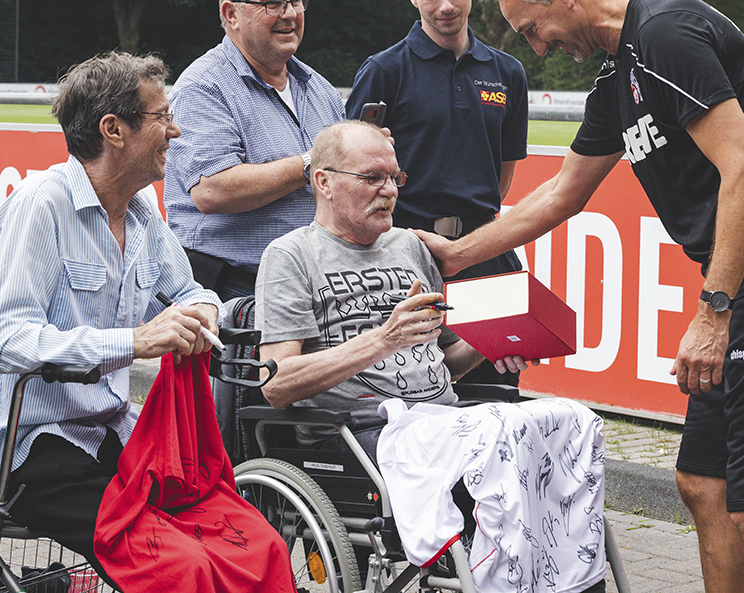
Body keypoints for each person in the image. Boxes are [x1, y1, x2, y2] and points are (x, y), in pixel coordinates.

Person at [417, 0, 744, 593]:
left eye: (533, 28)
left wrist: (714, 313)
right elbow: (562, 194)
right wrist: (454, 254)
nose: (537, 48)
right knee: (704, 484)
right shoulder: (618, 78)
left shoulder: (668, 33)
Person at [254, 120, 608, 593]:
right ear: (324, 181)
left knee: (570, 420)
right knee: (505, 431)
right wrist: (383, 340)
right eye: (372, 178)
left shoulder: (409, 247)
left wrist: (493, 343)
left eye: (395, 178)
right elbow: (276, 384)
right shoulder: (291, 256)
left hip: (442, 421)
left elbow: (444, 362)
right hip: (363, 434)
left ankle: (570, 580)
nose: (389, 191)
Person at [0, 52, 224, 583]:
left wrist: (204, 314)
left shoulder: (144, 213)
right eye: (161, 117)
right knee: (175, 559)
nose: (174, 130)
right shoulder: (42, 204)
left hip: (106, 432)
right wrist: (135, 340)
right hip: (24, 449)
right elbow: (8, 341)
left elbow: (193, 292)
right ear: (113, 129)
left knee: (219, 529)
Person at [346, 0, 529, 385]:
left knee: (496, 392)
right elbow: (350, 177)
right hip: (408, 259)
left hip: (488, 254)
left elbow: (501, 182)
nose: (444, 5)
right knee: (421, 396)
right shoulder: (384, 71)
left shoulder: (507, 72)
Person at [164, 0, 345, 301]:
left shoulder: (319, 88)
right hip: (230, 293)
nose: (290, 14)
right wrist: (314, 162)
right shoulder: (204, 87)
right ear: (231, 14)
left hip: (312, 286)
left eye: (296, 0)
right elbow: (212, 190)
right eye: (274, 3)